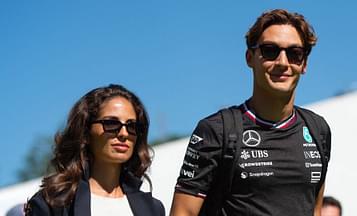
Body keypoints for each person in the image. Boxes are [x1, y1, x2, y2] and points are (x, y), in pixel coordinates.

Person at [170, 9, 331, 216]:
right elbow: (183, 212)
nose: (283, 62)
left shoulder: (318, 129)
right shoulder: (216, 130)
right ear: (249, 57)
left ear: (304, 63)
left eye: (294, 53)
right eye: (270, 50)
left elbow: (314, 210)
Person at [25, 84, 165, 216]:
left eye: (132, 126)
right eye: (111, 123)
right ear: (85, 132)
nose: (124, 133)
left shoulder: (153, 209)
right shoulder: (53, 203)